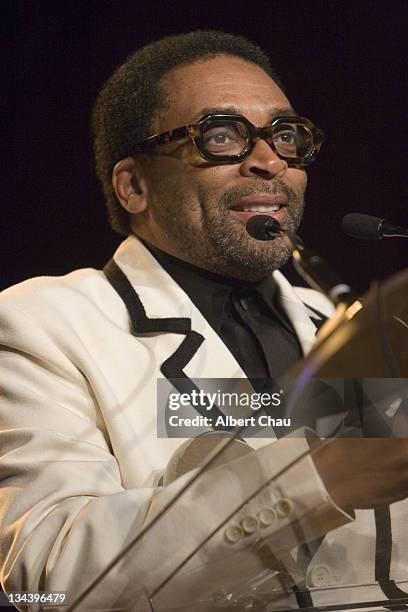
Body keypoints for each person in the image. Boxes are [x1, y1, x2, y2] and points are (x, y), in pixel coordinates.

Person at [0, 31, 407, 612]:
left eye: (285, 136)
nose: (270, 163)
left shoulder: (359, 330)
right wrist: (312, 483)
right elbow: (49, 577)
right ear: (134, 185)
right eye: (221, 135)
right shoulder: (42, 323)